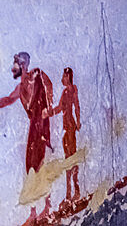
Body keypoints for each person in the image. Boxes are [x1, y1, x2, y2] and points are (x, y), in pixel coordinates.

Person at [0, 52, 53, 173]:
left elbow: (48, 84)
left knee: (39, 160)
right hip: (34, 126)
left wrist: (49, 106)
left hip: (42, 123)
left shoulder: (36, 73)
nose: (13, 69)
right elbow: (8, 100)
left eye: (15, 65)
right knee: (30, 164)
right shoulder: (20, 88)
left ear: (22, 65)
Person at [49, 67, 81, 200]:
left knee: (72, 159)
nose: (63, 78)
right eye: (63, 76)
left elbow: (77, 106)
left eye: (65, 76)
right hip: (66, 128)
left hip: (70, 127)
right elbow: (60, 107)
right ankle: (69, 193)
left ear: (69, 77)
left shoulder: (73, 89)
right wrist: (49, 112)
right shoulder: (65, 92)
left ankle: (76, 191)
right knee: (68, 159)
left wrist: (78, 121)